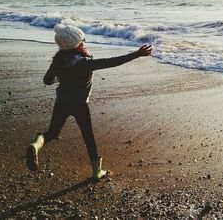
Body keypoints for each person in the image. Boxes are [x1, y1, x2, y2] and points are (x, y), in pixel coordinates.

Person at [26, 24, 152, 180]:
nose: (84, 41)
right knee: (88, 137)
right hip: (80, 105)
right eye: (83, 40)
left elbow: (47, 80)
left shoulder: (58, 60)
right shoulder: (85, 63)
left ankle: (35, 145)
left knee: (52, 133)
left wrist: (60, 76)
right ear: (78, 43)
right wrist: (137, 54)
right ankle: (97, 171)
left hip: (61, 103)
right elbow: (112, 62)